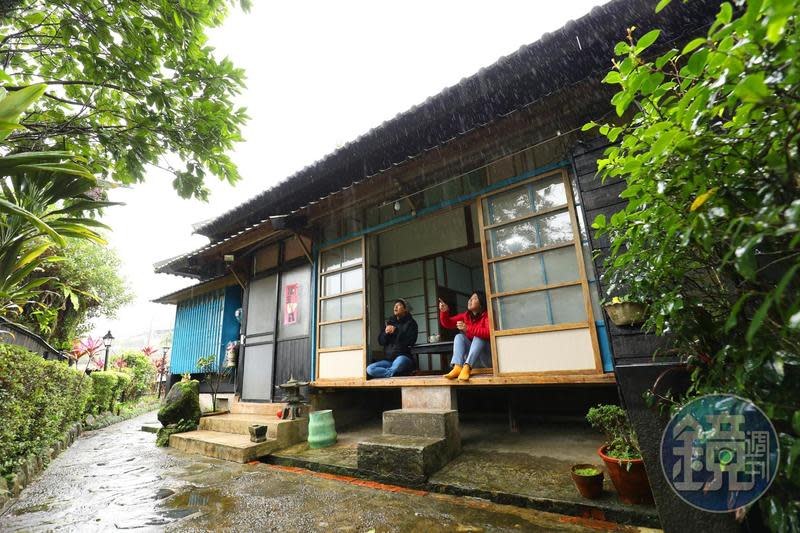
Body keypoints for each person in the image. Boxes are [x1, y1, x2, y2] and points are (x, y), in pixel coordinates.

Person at [439, 292, 490, 382]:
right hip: (473, 360)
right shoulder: (466, 316)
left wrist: (468, 329)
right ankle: (458, 367)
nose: (470, 300)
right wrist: (444, 312)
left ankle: (467, 367)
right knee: (459, 337)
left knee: (479, 337)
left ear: (481, 302)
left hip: (486, 359)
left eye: (474, 298)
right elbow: (448, 323)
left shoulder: (487, 315)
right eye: (470, 298)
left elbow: (489, 332)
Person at [367, 298, 418, 379]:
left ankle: (391, 372)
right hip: (389, 361)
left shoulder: (411, 323)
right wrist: (385, 334)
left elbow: (411, 341)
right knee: (370, 369)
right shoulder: (390, 322)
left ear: (405, 309)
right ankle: (394, 373)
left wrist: (396, 331)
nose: (395, 307)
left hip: (403, 357)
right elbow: (381, 341)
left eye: (399, 305)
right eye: (395, 305)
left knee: (399, 362)